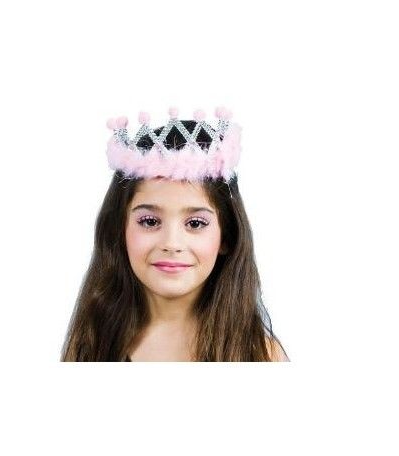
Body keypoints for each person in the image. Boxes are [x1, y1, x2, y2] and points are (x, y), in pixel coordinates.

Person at [61, 106, 289, 362]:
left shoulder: (262, 355)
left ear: (226, 236)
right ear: (119, 230)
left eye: (195, 223)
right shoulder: (91, 343)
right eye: (149, 221)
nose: (171, 243)